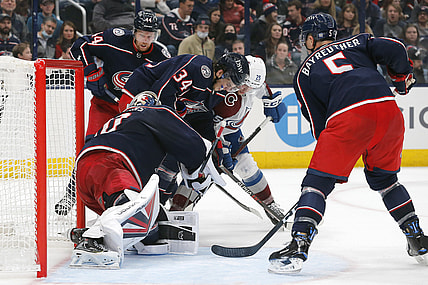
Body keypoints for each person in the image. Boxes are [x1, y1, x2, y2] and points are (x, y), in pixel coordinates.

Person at [268, 13, 428, 274]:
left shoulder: (303, 73)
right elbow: (396, 48)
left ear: (310, 39)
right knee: (388, 182)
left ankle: (299, 244)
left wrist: (325, 172)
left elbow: (319, 125)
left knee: (316, 186)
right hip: (389, 111)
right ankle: (417, 237)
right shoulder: (358, 41)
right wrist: (401, 78)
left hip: (348, 116)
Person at [68, 91, 225, 268]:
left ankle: (118, 230)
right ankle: (93, 239)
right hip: (110, 165)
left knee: (148, 222)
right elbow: (192, 144)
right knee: (130, 207)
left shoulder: (122, 122)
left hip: (85, 177)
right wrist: (200, 169)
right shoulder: (151, 112)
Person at [70, 10, 171, 142]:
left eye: (150, 36)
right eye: (141, 35)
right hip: (104, 105)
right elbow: (80, 45)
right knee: (93, 145)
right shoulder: (115, 39)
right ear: (134, 32)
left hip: (135, 113)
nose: (145, 41)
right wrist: (91, 73)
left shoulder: (161, 57)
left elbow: (167, 85)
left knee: (128, 153)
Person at [211, 55, 287, 224]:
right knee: (204, 174)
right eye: (244, 84)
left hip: (233, 133)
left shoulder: (252, 84)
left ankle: (270, 204)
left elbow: (266, 92)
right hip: (210, 134)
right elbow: (206, 121)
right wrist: (219, 147)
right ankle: (180, 208)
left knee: (247, 165)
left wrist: (273, 104)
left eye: (251, 87)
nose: (245, 90)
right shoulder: (225, 87)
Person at [282, 0, 306, 65]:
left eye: (292, 11)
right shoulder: (287, 24)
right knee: (298, 56)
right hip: (292, 51)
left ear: (299, 10)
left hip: (305, 50)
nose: (289, 13)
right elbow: (286, 40)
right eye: (289, 11)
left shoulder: (306, 24)